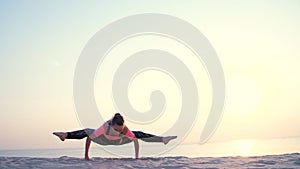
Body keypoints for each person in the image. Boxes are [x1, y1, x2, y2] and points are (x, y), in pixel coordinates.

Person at [53, 113, 177, 160]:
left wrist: (137, 158)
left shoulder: (125, 130)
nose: (118, 131)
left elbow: (135, 140)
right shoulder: (104, 127)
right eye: (116, 129)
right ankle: (65, 135)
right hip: (104, 140)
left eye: (121, 129)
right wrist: (86, 156)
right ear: (111, 125)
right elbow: (90, 138)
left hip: (119, 142)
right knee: (88, 131)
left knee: (138, 133)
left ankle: (163, 139)